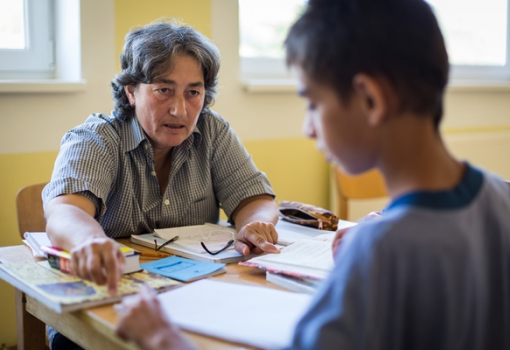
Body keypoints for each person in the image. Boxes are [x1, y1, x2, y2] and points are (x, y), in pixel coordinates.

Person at [115, 0, 510, 349]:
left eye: (312, 103)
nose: (308, 128)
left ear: (370, 100)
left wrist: (162, 338)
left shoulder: (378, 254)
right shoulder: (500, 198)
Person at [42, 20, 279, 350]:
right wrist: (90, 241)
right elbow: (65, 211)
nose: (179, 109)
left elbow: (254, 197)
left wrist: (255, 225)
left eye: (193, 92)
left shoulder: (212, 131)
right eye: (164, 90)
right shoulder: (96, 138)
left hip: (196, 297)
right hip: (109, 300)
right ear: (131, 91)